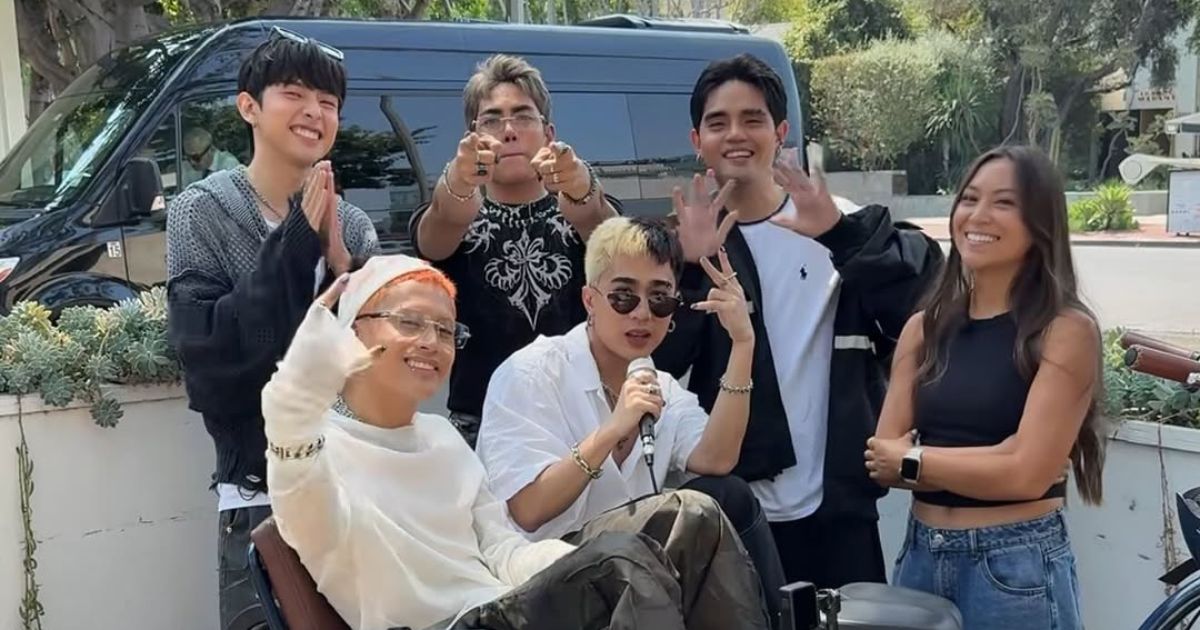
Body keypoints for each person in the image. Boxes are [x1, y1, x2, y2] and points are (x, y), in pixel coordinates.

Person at [263, 254, 773, 630]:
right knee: (621, 563)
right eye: (410, 323)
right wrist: (295, 402)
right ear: (350, 333)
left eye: (445, 330)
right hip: (441, 626)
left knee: (690, 515)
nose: (431, 342)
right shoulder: (314, 450)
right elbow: (302, 500)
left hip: (502, 605)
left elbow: (500, 546)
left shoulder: (440, 436)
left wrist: (569, 563)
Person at [654, 53, 944, 589]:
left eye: (753, 119)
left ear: (781, 132)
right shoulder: (684, 242)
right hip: (734, 509)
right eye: (718, 122)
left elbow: (919, 305)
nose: (735, 134)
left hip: (839, 507)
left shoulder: (833, 218)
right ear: (697, 140)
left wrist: (838, 234)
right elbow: (661, 362)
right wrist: (692, 267)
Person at [165, 29, 379, 630]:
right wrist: (295, 242)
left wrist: (345, 269)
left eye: (328, 102)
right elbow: (210, 363)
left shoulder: (352, 224)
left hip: (357, 488)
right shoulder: (202, 211)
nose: (314, 112)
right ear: (249, 106)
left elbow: (381, 362)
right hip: (259, 496)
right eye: (294, 94)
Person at [477, 216, 787, 623]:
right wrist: (611, 431)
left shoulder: (659, 385)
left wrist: (743, 344)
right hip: (544, 579)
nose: (642, 313)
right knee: (686, 513)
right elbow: (528, 510)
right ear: (590, 300)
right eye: (624, 297)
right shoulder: (532, 372)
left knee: (727, 495)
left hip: (636, 574)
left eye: (659, 299)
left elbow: (716, 459)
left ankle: (785, 619)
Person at [864, 145, 1103, 630]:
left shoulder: (1065, 331)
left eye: (1004, 203)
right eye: (970, 198)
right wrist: (998, 457)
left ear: (1040, 224)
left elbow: (1026, 476)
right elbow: (882, 461)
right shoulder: (923, 330)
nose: (978, 215)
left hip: (1015, 564)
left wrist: (917, 459)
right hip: (920, 557)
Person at [408, 54, 620, 447]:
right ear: (472, 137)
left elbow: (606, 232)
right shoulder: (456, 214)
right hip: (480, 426)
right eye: (492, 120)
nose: (508, 132)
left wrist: (580, 185)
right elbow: (439, 229)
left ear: (549, 133)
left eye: (523, 117)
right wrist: (458, 179)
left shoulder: (579, 210)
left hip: (580, 423)